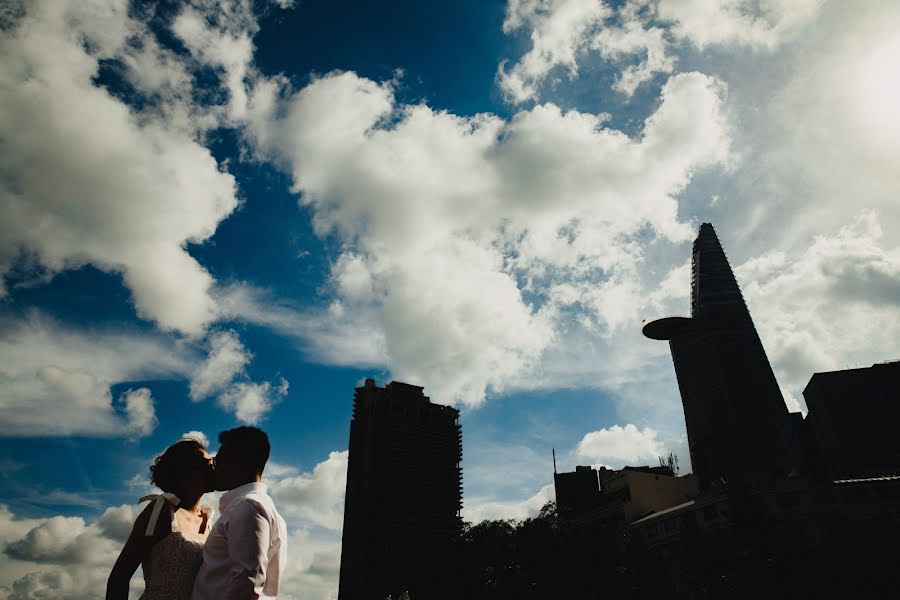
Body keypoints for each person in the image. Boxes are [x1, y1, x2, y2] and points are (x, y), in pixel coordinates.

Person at [106, 437, 216, 600]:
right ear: (181, 473)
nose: (211, 468)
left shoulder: (208, 521)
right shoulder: (161, 511)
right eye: (202, 464)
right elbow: (119, 577)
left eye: (211, 463)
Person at [192, 426, 287, 600]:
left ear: (235, 461)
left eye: (218, 461)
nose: (214, 468)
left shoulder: (248, 507)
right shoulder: (262, 507)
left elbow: (246, 582)